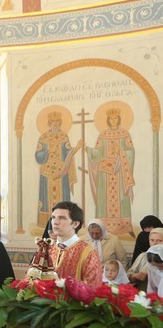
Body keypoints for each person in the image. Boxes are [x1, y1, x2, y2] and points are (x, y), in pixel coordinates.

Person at [87, 108, 135, 236]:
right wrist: (88, 150)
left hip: (120, 173)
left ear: (119, 119)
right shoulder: (103, 135)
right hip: (105, 173)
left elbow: (131, 151)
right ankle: (103, 227)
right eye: (111, 119)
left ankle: (125, 227)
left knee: (122, 198)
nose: (113, 121)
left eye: (115, 118)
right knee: (104, 199)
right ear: (108, 120)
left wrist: (122, 154)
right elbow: (97, 152)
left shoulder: (124, 134)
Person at [35, 110, 81, 229]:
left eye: (57, 121)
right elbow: (38, 155)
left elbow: (68, 153)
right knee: (46, 198)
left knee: (62, 198)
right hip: (47, 173)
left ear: (59, 123)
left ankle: (64, 222)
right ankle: (46, 222)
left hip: (62, 172)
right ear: (49, 123)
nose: (55, 123)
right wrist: (45, 153)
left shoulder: (63, 136)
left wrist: (76, 149)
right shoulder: (43, 137)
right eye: (53, 121)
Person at [48, 201, 103, 286]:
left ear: (75, 224)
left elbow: (93, 288)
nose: (55, 222)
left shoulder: (89, 253)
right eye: (53, 217)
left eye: (62, 218)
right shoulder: (47, 249)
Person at [127, 227, 163, 292]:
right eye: (152, 240)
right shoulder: (143, 256)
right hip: (143, 294)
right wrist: (136, 276)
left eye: (159, 241)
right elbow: (128, 278)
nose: (154, 243)